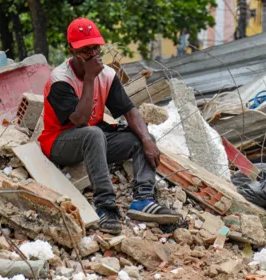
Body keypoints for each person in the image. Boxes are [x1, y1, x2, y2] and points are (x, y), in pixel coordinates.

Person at [38, 17, 179, 234]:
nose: (93, 54)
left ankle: (143, 199)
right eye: (86, 50)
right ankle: (106, 207)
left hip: (93, 139)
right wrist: (90, 78)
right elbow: (80, 120)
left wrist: (146, 140)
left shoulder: (108, 75)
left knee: (140, 135)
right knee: (93, 133)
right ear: (71, 51)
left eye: (96, 48)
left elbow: (130, 111)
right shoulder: (60, 80)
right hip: (58, 142)